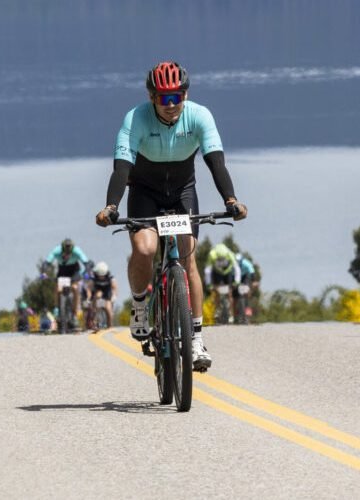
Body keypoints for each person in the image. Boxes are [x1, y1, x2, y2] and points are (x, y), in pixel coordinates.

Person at [95, 61, 247, 371]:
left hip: (182, 193)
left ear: (185, 94)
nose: (171, 105)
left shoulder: (199, 116)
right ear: (151, 97)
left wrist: (230, 199)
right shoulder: (135, 119)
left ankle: (195, 338)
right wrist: (111, 206)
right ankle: (139, 304)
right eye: (164, 99)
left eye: (177, 96)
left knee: (188, 257)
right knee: (145, 249)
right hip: (144, 193)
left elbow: (216, 163)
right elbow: (122, 168)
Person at [44, 238, 91, 329]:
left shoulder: (77, 250)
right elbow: (47, 262)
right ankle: (57, 309)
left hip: (74, 271)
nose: (67, 255)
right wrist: (44, 272)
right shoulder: (57, 250)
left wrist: (87, 272)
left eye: (69, 253)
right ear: (62, 249)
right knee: (58, 288)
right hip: (62, 270)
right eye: (65, 253)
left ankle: (74, 314)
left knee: (74, 288)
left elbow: (86, 263)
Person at [203, 243, 241, 323]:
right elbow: (208, 271)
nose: (221, 260)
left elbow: (237, 268)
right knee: (216, 290)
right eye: (219, 259)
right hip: (217, 272)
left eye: (222, 259)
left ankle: (231, 313)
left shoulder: (230, 254)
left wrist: (237, 281)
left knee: (230, 292)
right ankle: (217, 310)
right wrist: (209, 284)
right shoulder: (212, 255)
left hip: (228, 272)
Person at [88, 261, 117, 330]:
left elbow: (114, 288)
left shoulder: (111, 278)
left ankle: (110, 325)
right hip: (96, 292)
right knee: (97, 296)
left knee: (108, 308)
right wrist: (88, 298)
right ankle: (94, 321)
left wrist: (114, 296)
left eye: (103, 275)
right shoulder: (93, 278)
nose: (101, 277)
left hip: (107, 293)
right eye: (99, 275)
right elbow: (88, 288)